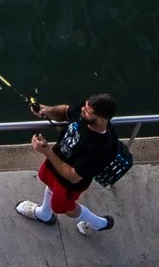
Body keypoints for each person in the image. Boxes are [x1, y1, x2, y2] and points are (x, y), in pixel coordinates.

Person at [20, 93, 121, 234]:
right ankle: (44, 214)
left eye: (87, 111)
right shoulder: (86, 110)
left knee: (66, 208)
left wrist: (47, 151)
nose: (82, 111)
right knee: (49, 183)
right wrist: (47, 110)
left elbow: (73, 177)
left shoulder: (99, 148)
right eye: (84, 106)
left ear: (100, 121)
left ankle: (100, 223)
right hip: (56, 161)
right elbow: (66, 111)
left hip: (69, 183)